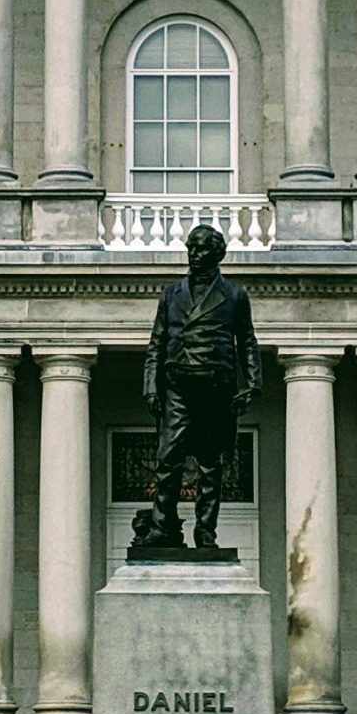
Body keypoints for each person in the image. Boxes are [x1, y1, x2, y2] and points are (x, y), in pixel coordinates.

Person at [138, 222, 260, 551]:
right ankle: (163, 527)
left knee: (210, 464)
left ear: (218, 253)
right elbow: (157, 343)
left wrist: (252, 383)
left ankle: (206, 532)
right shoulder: (171, 293)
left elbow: (247, 342)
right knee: (168, 459)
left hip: (215, 386)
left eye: (202, 248)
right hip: (177, 384)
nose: (195, 254)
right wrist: (151, 385)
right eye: (191, 247)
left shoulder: (234, 294)